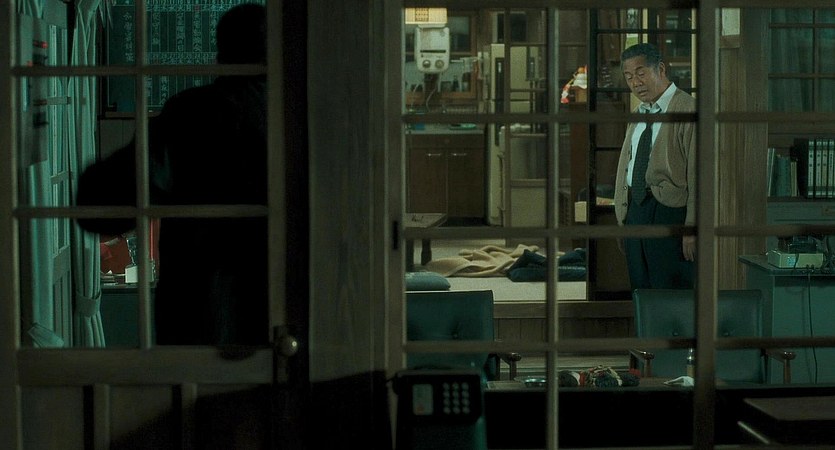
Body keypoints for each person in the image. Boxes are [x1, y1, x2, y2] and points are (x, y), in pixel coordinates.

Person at [76, 3, 269, 345]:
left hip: (198, 322)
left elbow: (101, 205)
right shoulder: (311, 117)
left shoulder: (194, 114)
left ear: (220, 57)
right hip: (291, 321)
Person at [613, 43, 696, 290]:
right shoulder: (639, 113)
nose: (635, 82)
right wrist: (623, 218)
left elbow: (700, 176)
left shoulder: (688, 110)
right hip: (636, 208)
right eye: (629, 77)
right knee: (640, 289)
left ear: (660, 69)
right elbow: (627, 167)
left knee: (669, 291)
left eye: (641, 73)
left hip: (670, 212)